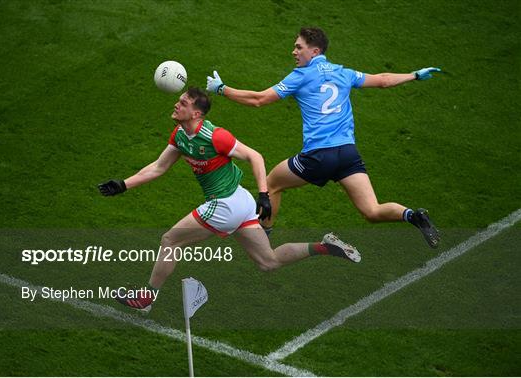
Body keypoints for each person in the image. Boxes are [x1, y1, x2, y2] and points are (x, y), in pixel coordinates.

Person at [98, 87, 361, 313]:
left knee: (170, 239)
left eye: (183, 104)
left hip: (226, 203)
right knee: (267, 262)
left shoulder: (215, 136)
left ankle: (147, 298)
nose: (176, 105)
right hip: (240, 201)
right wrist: (123, 185)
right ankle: (325, 247)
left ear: (197, 113)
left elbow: (255, 156)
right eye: (178, 101)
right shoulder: (179, 135)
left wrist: (264, 194)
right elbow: (158, 167)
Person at [206, 27, 441, 248]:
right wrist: (414, 75)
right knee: (372, 211)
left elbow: (259, 99)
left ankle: (262, 243)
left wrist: (221, 89)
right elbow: (383, 80)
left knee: (272, 184)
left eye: (299, 47)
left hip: (319, 155)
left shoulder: (300, 76)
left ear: (314, 51)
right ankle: (414, 215)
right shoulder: (343, 72)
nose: (294, 52)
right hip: (348, 154)